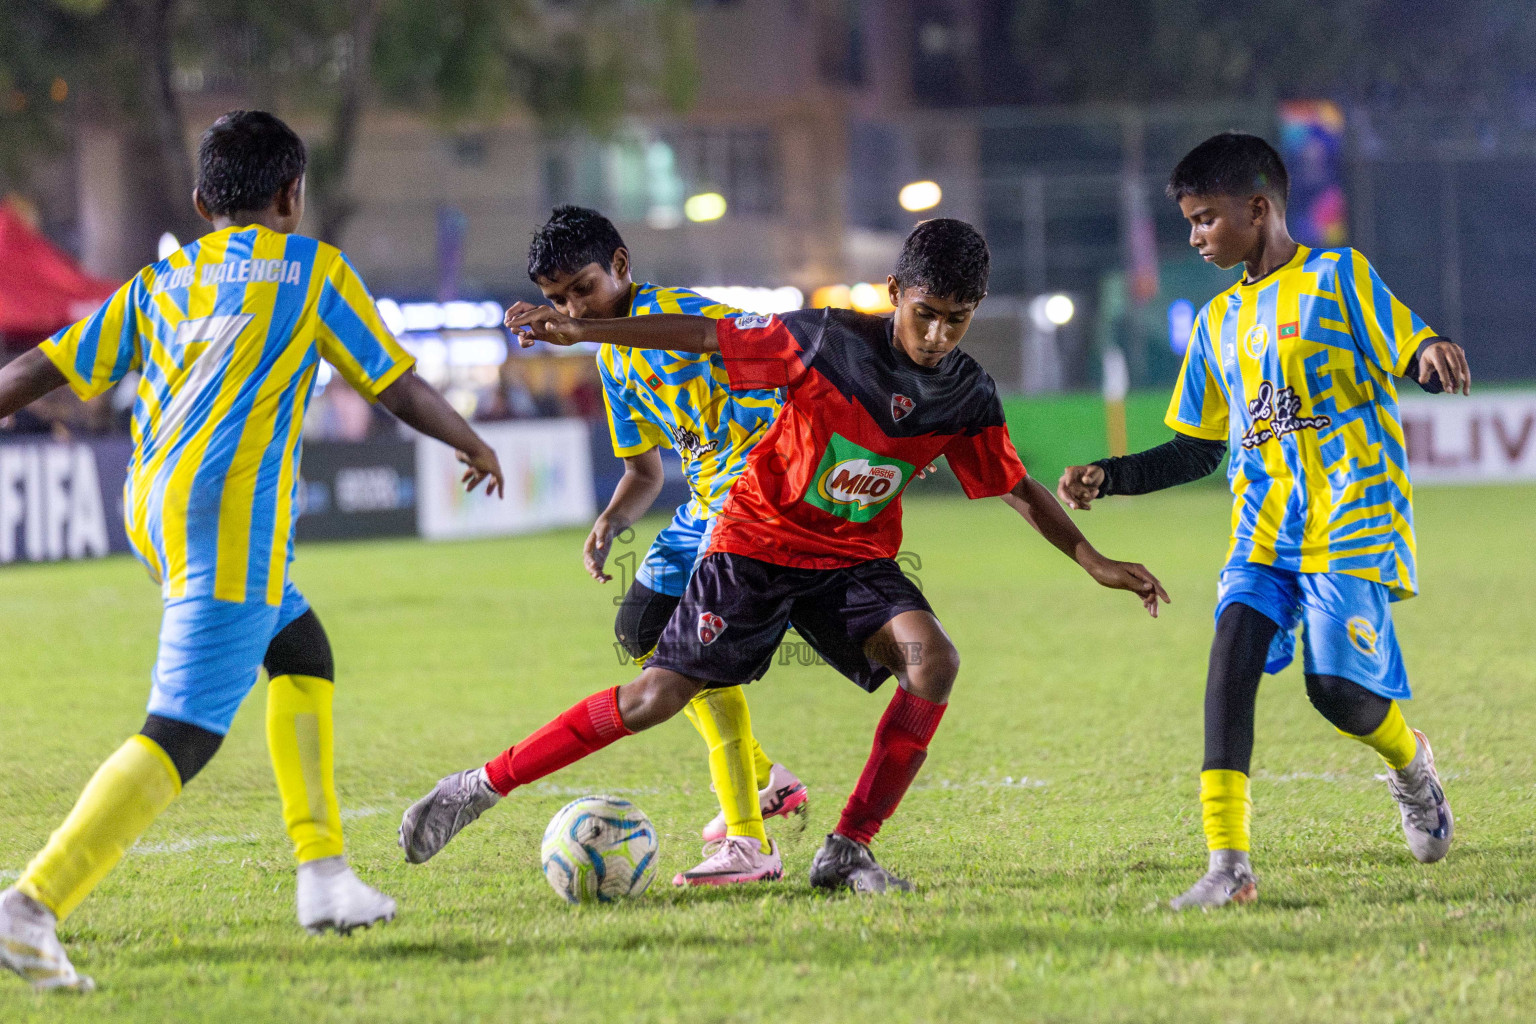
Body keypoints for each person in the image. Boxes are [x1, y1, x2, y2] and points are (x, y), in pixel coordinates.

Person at [400, 218, 1168, 892]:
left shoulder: (966, 392)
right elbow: (708, 337)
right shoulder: (825, 339)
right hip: (756, 544)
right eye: (925, 314)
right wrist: (583, 331)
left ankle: (846, 849)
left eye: (956, 322)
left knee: (934, 661)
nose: (936, 336)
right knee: (654, 695)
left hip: (851, 559)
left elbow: (1014, 485)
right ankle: (479, 786)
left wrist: (1091, 557)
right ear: (895, 291)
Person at [0, 110, 504, 991]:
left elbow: (42, 368)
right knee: (183, 730)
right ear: (292, 197)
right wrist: (473, 440)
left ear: (201, 203)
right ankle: (32, 905)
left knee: (300, 648)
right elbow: (395, 382)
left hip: (153, 509)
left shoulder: (163, 280)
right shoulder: (311, 272)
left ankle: (324, 877)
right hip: (227, 518)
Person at [1057, 132, 1472, 910]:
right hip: (1262, 532)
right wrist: (1108, 477)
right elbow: (1195, 451)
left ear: (1258, 208)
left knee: (1336, 692)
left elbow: (1407, 341)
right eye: (1187, 222)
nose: (1195, 237)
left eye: (1205, 219)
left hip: (1352, 520)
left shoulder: (1337, 278)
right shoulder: (1218, 321)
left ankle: (1411, 764)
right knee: (1230, 658)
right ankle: (1229, 866)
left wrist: (1431, 352)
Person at [523, 206, 807, 886]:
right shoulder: (614, 361)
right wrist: (611, 521)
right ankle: (767, 782)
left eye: (581, 289)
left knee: (696, 657)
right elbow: (645, 470)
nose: (571, 308)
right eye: (557, 299)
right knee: (641, 628)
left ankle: (748, 842)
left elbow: (780, 362)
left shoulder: (680, 316)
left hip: (761, 504)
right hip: (702, 510)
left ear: (621, 264)